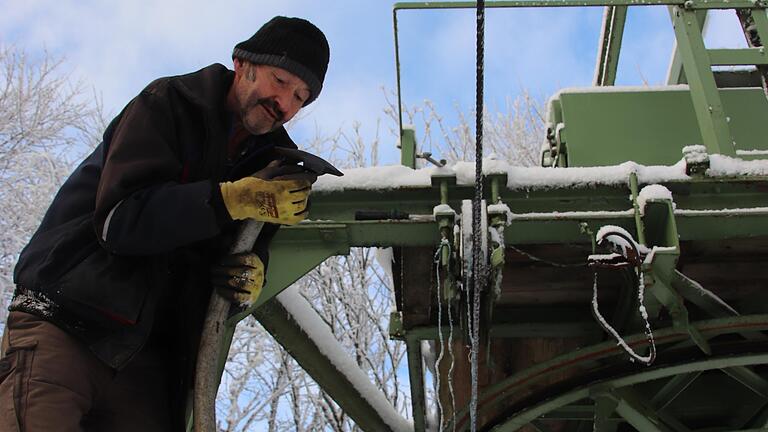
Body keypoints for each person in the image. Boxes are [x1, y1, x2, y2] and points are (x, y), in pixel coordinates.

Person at [0, 16, 330, 431]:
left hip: (155, 368)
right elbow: (119, 223)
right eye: (280, 80)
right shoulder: (170, 103)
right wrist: (227, 198)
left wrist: (250, 271)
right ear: (242, 64)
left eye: (301, 97)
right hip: (69, 324)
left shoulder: (275, 168)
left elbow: (237, 253)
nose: (285, 102)